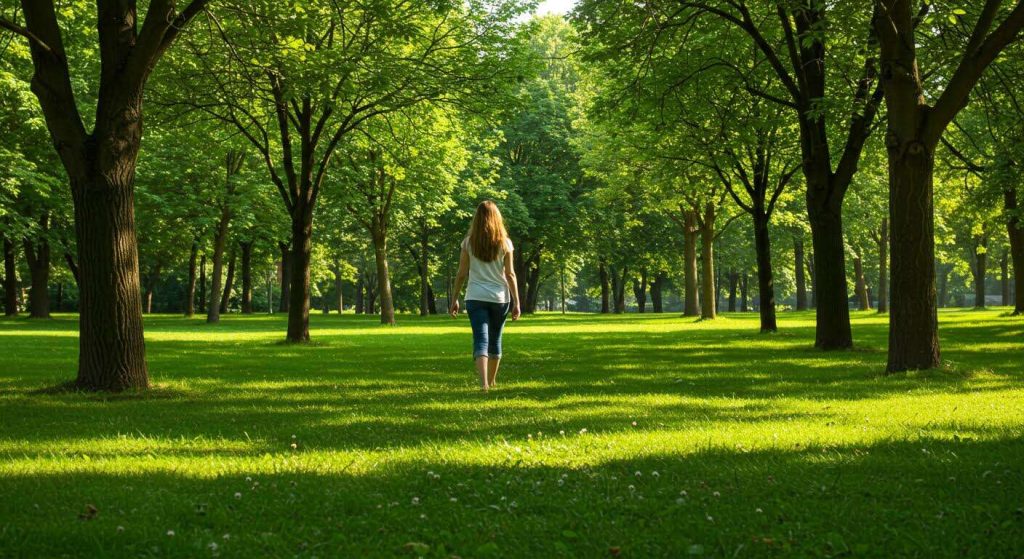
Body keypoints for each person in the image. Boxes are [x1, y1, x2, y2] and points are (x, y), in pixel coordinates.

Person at [449, 201, 521, 392]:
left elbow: (461, 273)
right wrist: (517, 302)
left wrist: (454, 298)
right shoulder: (505, 243)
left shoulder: (468, 242)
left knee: (480, 339)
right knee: (495, 339)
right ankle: (492, 380)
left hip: (475, 297)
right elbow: (510, 274)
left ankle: (484, 384)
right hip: (500, 299)